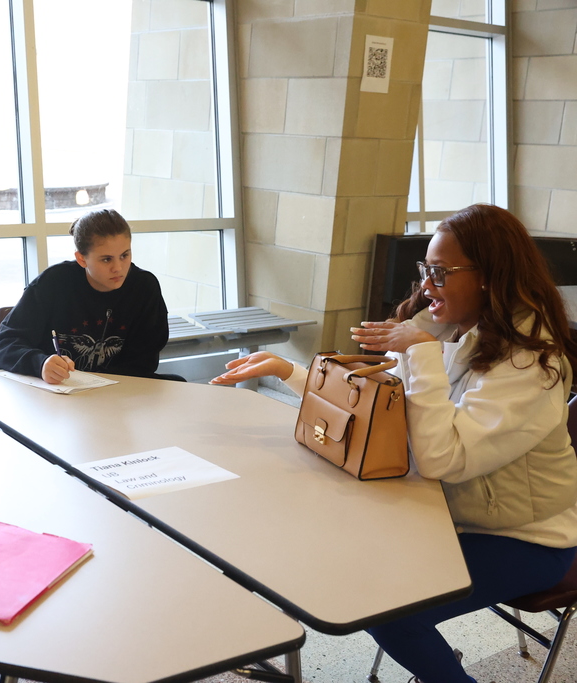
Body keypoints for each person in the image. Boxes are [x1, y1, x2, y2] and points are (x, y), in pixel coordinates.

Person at [211, 204, 577, 683]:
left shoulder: (532, 362)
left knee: (390, 610)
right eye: (426, 270)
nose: (427, 285)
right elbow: (377, 412)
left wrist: (421, 350)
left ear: (490, 276)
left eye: (441, 273)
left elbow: (442, 459)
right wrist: (289, 372)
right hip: (444, 515)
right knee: (317, 534)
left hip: (525, 538)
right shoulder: (443, 324)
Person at [0, 208, 171, 384]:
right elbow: (3, 344)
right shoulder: (53, 283)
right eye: (106, 259)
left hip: (118, 394)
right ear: (81, 259)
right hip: (58, 394)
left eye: (125, 255)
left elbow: (144, 361)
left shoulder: (144, 288)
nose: (118, 267)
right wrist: (41, 364)